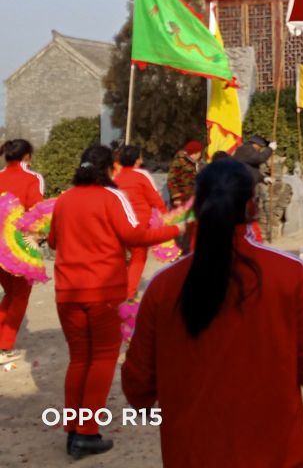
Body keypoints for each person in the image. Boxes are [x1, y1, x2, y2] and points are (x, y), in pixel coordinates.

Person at [121, 158, 303, 467]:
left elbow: (137, 385)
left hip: (191, 454)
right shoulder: (287, 274)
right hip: (275, 454)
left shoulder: (163, 286)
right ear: (252, 207)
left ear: (196, 207)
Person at [48, 145, 183, 459]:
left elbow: (53, 241)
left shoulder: (64, 199)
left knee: (79, 358)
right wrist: (177, 229)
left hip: (67, 291)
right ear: (109, 169)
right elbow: (133, 235)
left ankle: (73, 429)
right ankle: (87, 433)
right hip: (103, 291)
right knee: (104, 357)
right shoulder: (112, 197)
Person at [0, 139, 44, 363]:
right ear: (27, 155)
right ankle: (5, 345)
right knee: (20, 296)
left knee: (10, 293)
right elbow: (36, 211)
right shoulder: (33, 178)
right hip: (19, 243)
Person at [114, 145, 168, 299]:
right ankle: (129, 292)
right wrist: (165, 216)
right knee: (138, 257)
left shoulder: (116, 179)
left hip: (120, 223)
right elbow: (155, 199)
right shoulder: (141, 176)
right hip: (139, 224)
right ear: (137, 160)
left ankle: (123, 287)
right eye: (141, 156)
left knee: (124, 258)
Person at [166, 140, 203, 207]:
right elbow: (171, 180)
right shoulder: (179, 162)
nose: (199, 154)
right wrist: (176, 197)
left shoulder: (199, 163)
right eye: (198, 153)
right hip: (181, 199)